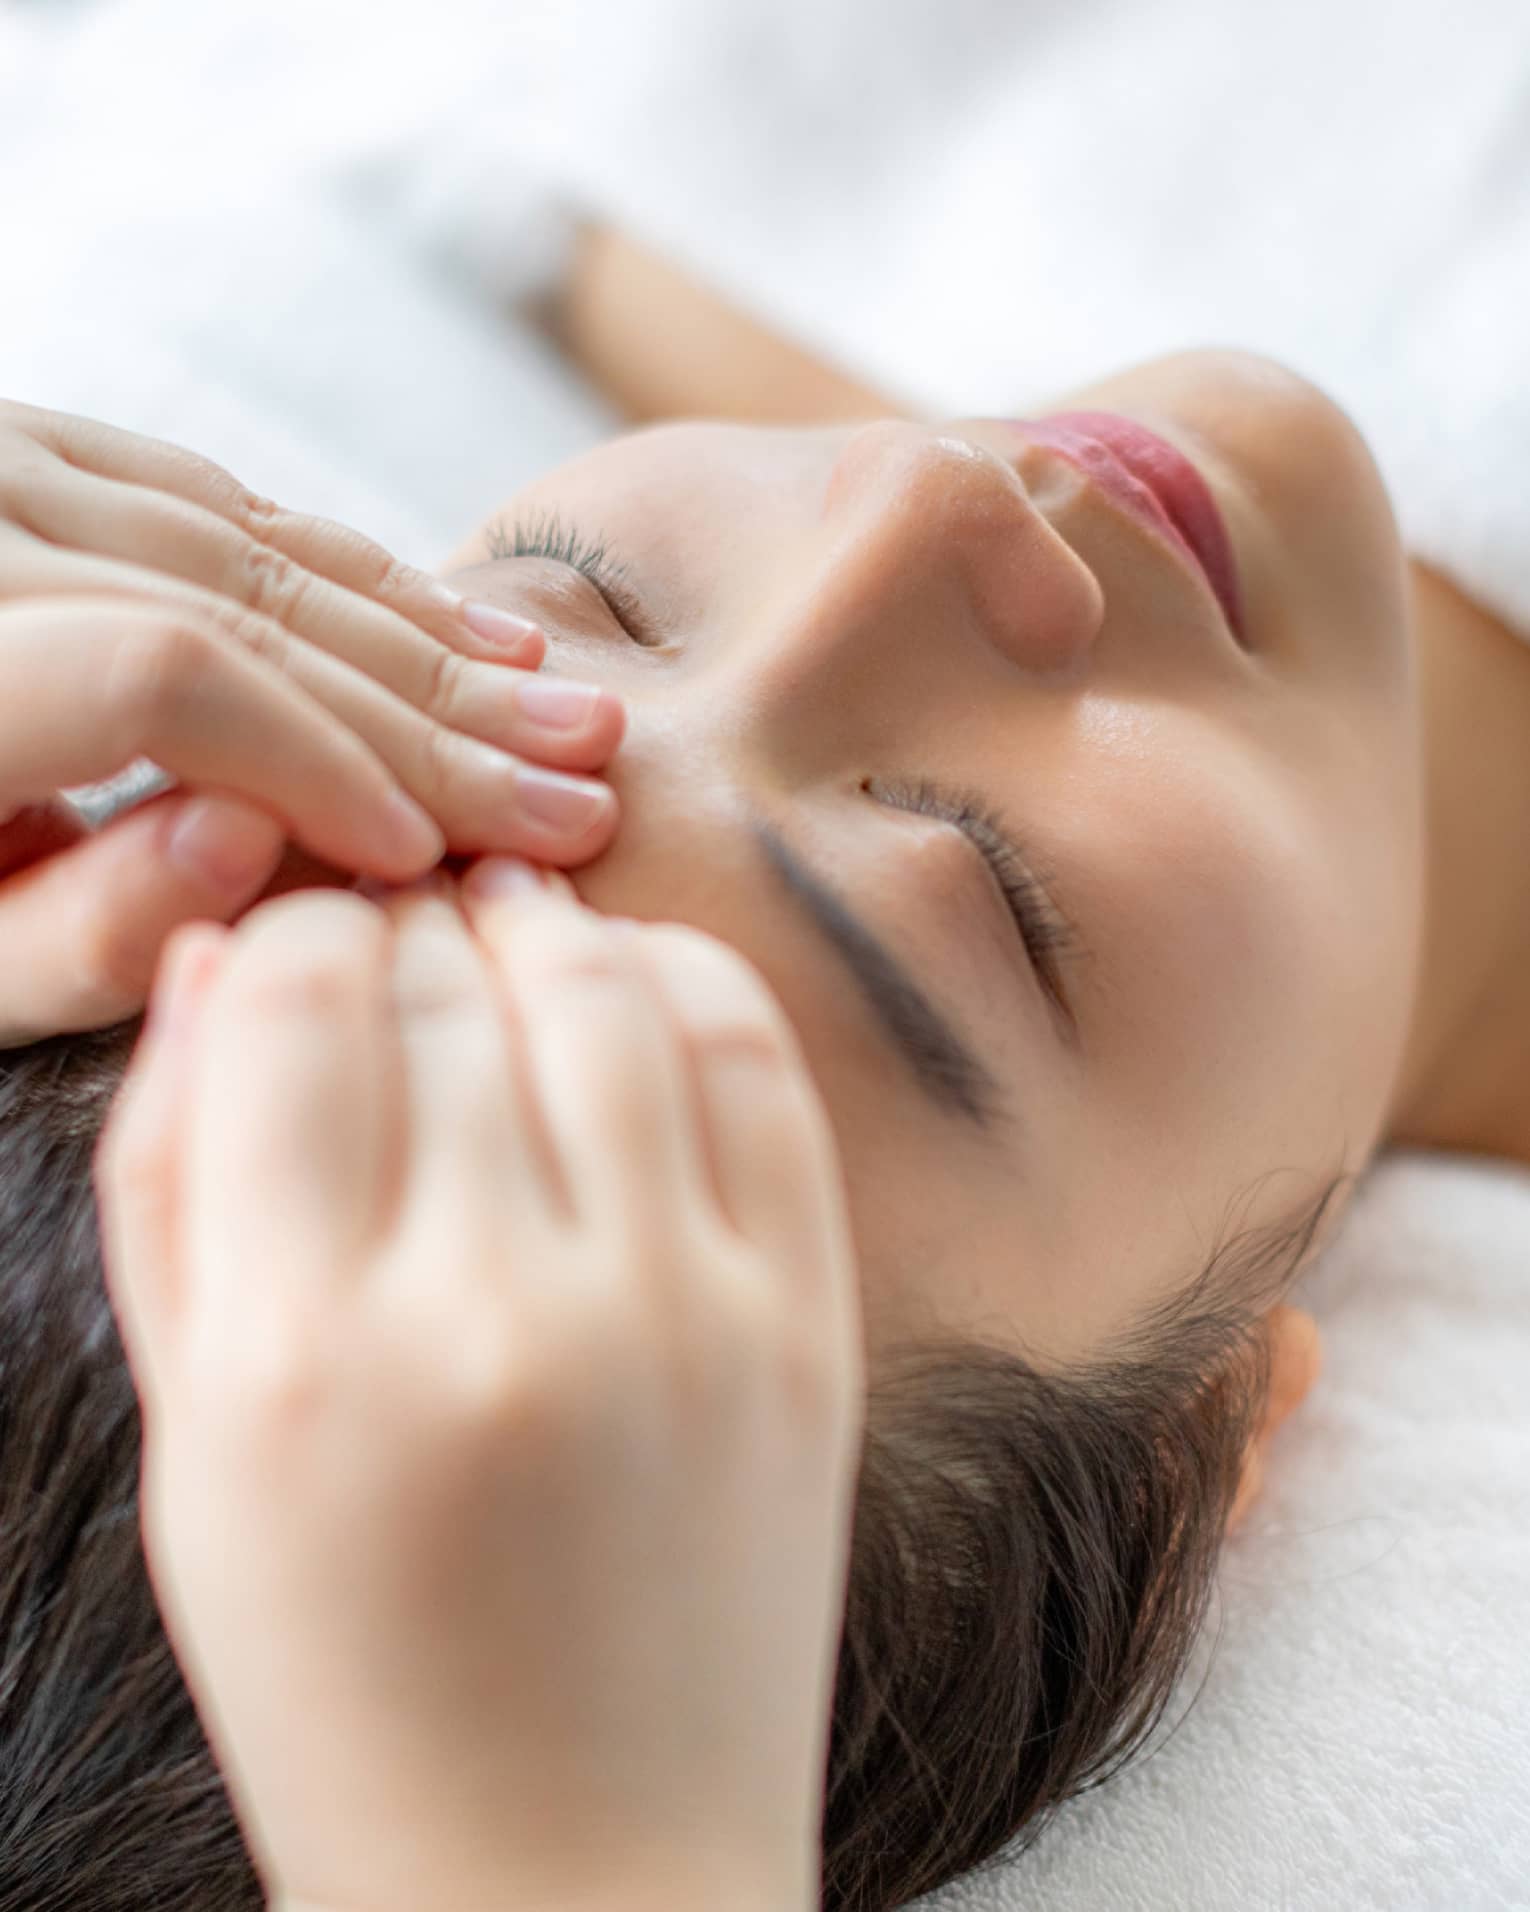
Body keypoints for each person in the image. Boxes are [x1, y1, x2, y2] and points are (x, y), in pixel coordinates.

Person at [5, 221, 1530, 1908]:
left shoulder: (690, 189)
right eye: (986, 890)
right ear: (1211, 1420)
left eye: (577, 592)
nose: (927, 488)